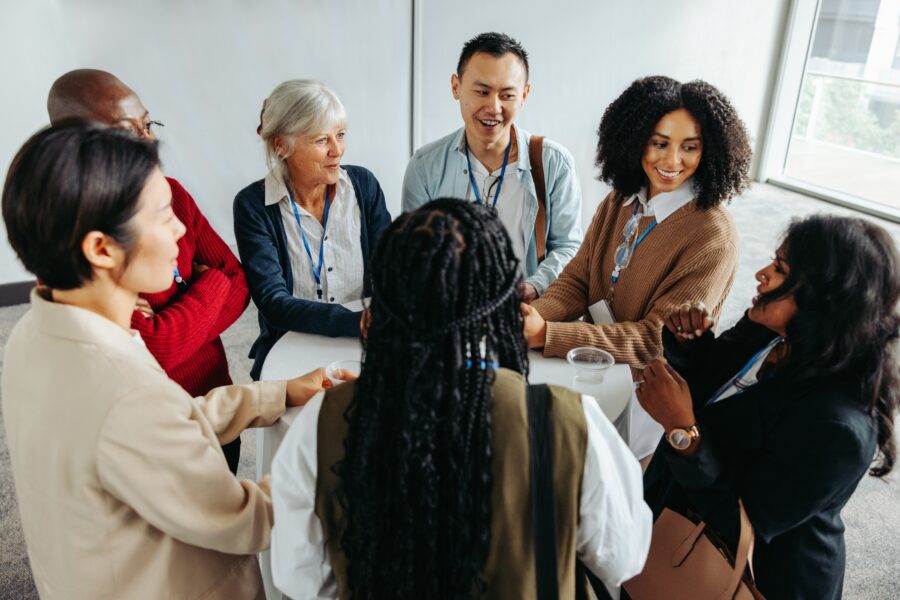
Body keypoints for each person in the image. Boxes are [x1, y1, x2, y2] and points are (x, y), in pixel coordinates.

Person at [1, 122, 332, 599]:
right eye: (163, 215)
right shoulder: (124, 393)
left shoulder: (35, 329)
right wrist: (340, 450)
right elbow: (248, 519)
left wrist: (277, 394)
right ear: (101, 248)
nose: (181, 227)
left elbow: (163, 427)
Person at [270, 200, 651, 599]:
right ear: (499, 308)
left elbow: (302, 580)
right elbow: (622, 558)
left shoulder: (323, 422)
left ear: (381, 307)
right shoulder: (567, 420)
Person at [636, 214, 900, 599]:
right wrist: (692, 344)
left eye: (779, 269)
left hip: (753, 576)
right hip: (678, 523)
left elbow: (745, 521)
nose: (760, 274)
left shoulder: (838, 426)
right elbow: (721, 385)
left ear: (825, 297)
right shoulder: (770, 329)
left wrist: (682, 430)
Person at [47, 69, 250, 473]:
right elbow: (153, 351)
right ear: (77, 144)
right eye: (130, 131)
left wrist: (170, 325)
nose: (150, 140)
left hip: (217, 397)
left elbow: (239, 285)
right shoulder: (69, 239)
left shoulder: (172, 193)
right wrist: (209, 284)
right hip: (150, 428)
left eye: (148, 124)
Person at [523, 75, 751, 367]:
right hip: (589, 365)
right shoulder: (621, 198)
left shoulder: (714, 236)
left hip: (647, 393)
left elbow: (655, 339)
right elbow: (578, 280)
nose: (671, 161)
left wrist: (547, 334)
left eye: (689, 147)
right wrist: (531, 317)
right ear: (635, 140)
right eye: (659, 143)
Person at [401, 32, 582, 302]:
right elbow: (414, 254)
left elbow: (568, 247)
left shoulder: (554, 163)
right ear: (456, 87)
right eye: (482, 92)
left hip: (525, 316)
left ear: (524, 95)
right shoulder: (424, 166)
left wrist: (532, 287)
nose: (494, 107)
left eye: (507, 95)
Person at [234, 80, 391, 381]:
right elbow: (273, 301)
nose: (337, 151)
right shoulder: (253, 205)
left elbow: (391, 268)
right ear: (281, 145)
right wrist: (353, 323)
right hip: (291, 346)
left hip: (363, 341)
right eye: (321, 140)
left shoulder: (363, 186)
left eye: (341, 135)